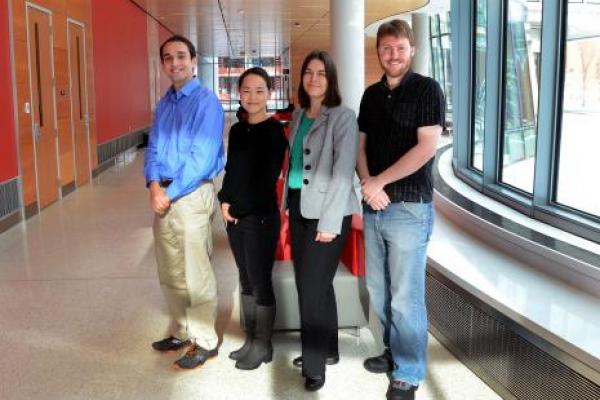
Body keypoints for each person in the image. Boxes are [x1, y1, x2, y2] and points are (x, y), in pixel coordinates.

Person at [356, 20, 445, 400]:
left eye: (400, 48)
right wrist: (367, 184)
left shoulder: (427, 89)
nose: (393, 55)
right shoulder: (370, 95)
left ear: (412, 50)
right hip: (374, 207)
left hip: (409, 208)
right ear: (378, 52)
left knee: (406, 296)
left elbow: (426, 147)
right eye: (386, 48)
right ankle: (394, 354)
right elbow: (359, 147)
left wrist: (380, 182)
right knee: (379, 290)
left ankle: (408, 371)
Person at [143, 34, 225, 371]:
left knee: (196, 272)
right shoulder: (164, 104)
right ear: (163, 64)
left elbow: (201, 159)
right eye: (168, 58)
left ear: (193, 60)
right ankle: (181, 329)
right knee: (170, 270)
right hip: (162, 195)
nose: (174, 63)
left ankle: (205, 340)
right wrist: (152, 185)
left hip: (190, 195)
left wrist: (167, 193)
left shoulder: (207, 103)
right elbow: (153, 148)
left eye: (181, 56)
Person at [283, 50, 360, 391]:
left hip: (330, 213)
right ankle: (327, 348)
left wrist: (329, 222)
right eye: (308, 72)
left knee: (311, 291)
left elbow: (343, 172)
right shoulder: (299, 116)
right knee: (314, 284)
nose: (314, 78)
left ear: (331, 80)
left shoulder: (342, 117)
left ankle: (315, 366)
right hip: (301, 207)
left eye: (321, 73)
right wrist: (288, 202)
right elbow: (295, 163)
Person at [217, 67, 287, 370]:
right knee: (245, 281)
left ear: (269, 94)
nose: (252, 96)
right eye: (246, 90)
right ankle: (250, 338)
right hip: (235, 217)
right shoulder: (237, 129)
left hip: (260, 218)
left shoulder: (274, 132)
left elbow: (265, 180)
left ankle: (263, 344)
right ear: (238, 94)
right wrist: (224, 202)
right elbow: (232, 172)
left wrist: (238, 208)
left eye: (259, 90)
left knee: (260, 282)